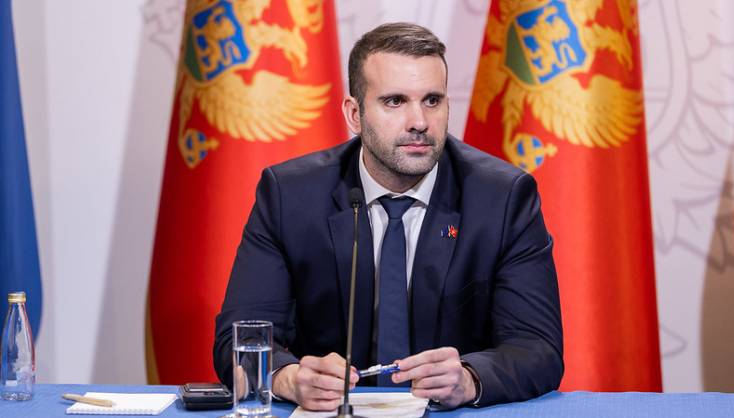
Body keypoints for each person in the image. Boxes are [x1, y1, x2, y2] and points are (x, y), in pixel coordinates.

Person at [213, 22, 563, 410]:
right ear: (355, 114)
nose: (419, 122)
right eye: (395, 101)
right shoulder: (290, 195)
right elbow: (239, 340)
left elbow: (538, 348)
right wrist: (289, 378)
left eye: (432, 100)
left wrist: (469, 378)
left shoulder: (501, 198)